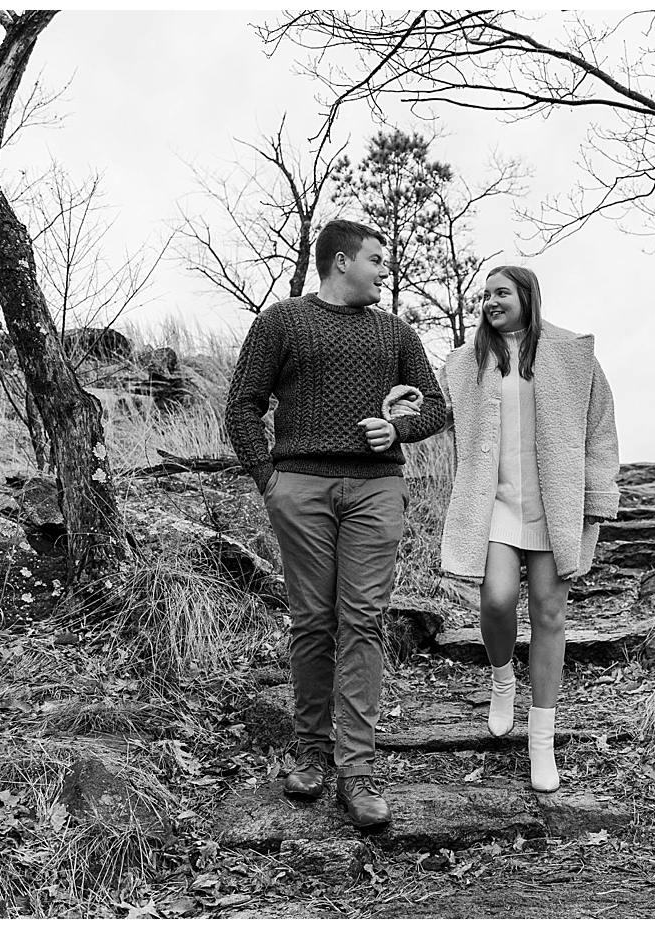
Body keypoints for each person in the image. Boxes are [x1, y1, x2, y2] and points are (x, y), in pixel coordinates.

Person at [225, 219, 451, 828]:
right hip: (300, 488)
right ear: (341, 261)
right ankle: (312, 752)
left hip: (377, 489)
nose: (385, 270)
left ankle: (357, 767)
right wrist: (268, 480)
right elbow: (242, 403)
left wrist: (398, 428)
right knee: (313, 620)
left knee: (363, 620)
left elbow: (436, 406)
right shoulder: (282, 322)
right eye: (377, 259)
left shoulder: (394, 332)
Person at [436, 265, 619, 793]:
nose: (490, 301)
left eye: (501, 292)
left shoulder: (571, 353)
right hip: (493, 502)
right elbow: (435, 412)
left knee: (549, 613)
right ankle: (500, 679)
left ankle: (542, 739)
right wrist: (404, 408)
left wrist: (599, 497)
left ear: (527, 296)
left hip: (554, 505)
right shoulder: (466, 362)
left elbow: (601, 428)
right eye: (485, 294)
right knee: (495, 599)